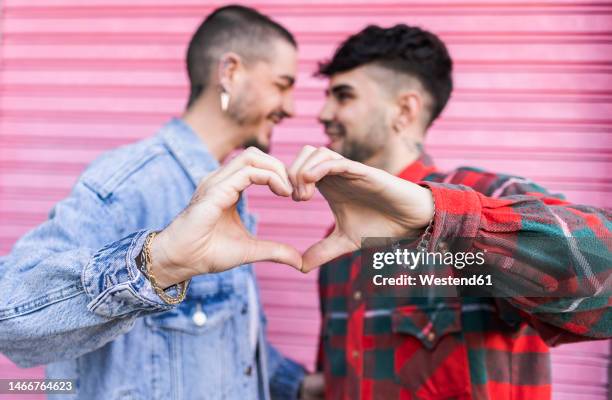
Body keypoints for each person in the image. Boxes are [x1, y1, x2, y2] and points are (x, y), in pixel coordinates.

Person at [0, 5, 319, 400]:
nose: (291, 107)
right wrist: (156, 262)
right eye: (282, 84)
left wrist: (300, 386)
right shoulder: (131, 181)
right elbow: (9, 314)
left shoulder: (226, 188)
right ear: (230, 72)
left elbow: (214, 342)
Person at [293, 24, 611, 399]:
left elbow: (603, 273)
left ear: (404, 109)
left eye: (343, 96)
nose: (324, 112)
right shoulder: (338, 241)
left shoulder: (488, 195)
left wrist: (441, 216)